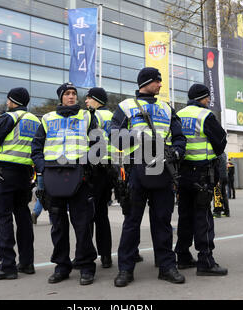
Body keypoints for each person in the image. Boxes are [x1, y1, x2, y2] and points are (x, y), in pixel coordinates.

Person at [110, 67, 187, 287]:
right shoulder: (125, 106)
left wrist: (177, 152)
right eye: (157, 81)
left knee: (162, 221)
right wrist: (138, 136)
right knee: (132, 222)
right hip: (137, 168)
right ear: (146, 82)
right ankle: (125, 269)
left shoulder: (166, 108)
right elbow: (113, 135)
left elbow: (179, 137)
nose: (161, 85)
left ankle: (166, 267)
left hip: (163, 168)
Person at [31, 82, 98, 286]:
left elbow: (98, 145)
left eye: (74, 94)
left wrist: (87, 168)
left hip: (79, 177)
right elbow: (36, 147)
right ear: (60, 97)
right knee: (58, 226)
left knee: (82, 224)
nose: (71, 97)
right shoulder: (48, 119)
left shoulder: (86, 117)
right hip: (54, 178)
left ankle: (86, 266)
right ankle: (61, 266)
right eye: (67, 94)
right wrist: (42, 167)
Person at [0, 87, 40, 280]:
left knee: (3, 216)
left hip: (5, 173)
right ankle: (27, 262)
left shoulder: (9, 117)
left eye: (8, 100)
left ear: (11, 100)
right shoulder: (35, 120)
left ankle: (7, 265)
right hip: (25, 174)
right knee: (22, 215)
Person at [174, 83, 228, 276]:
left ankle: (182, 255)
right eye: (207, 98)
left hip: (182, 174)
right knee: (203, 217)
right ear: (203, 98)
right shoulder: (205, 115)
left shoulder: (178, 114)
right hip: (201, 174)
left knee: (185, 216)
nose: (208, 101)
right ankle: (205, 260)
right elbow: (221, 143)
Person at [85, 87, 114, 269]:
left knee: (87, 215)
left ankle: (87, 256)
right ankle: (106, 256)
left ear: (96, 100)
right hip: (109, 168)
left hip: (93, 169)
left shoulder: (91, 116)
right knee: (102, 214)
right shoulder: (113, 116)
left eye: (88, 98)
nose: (86, 101)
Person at [213, 152, 230, 218]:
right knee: (224, 194)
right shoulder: (224, 154)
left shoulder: (216, 154)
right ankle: (227, 211)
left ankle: (217, 212)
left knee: (217, 193)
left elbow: (216, 166)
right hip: (225, 176)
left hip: (219, 177)